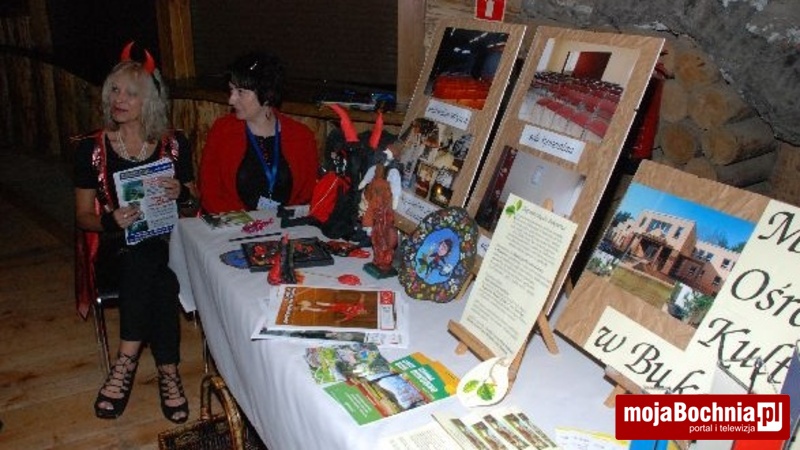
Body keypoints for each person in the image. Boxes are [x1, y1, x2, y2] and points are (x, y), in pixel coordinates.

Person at [74, 42, 194, 424]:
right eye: (114, 90)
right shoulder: (91, 149)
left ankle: (124, 363)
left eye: (130, 93)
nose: (118, 99)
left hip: (169, 242)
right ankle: (168, 372)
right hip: (116, 246)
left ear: (149, 102)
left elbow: (195, 200)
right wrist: (111, 220)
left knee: (155, 265)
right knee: (157, 276)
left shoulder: (175, 144)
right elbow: (82, 217)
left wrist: (182, 191)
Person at [199, 52, 319, 213]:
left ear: (266, 94)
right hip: (234, 225)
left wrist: (280, 222)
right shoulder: (222, 131)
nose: (231, 100)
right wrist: (248, 224)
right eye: (231, 90)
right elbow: (210, 193)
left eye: (240, 92)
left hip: (283, 225)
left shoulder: (301, 136)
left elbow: (307, 195)